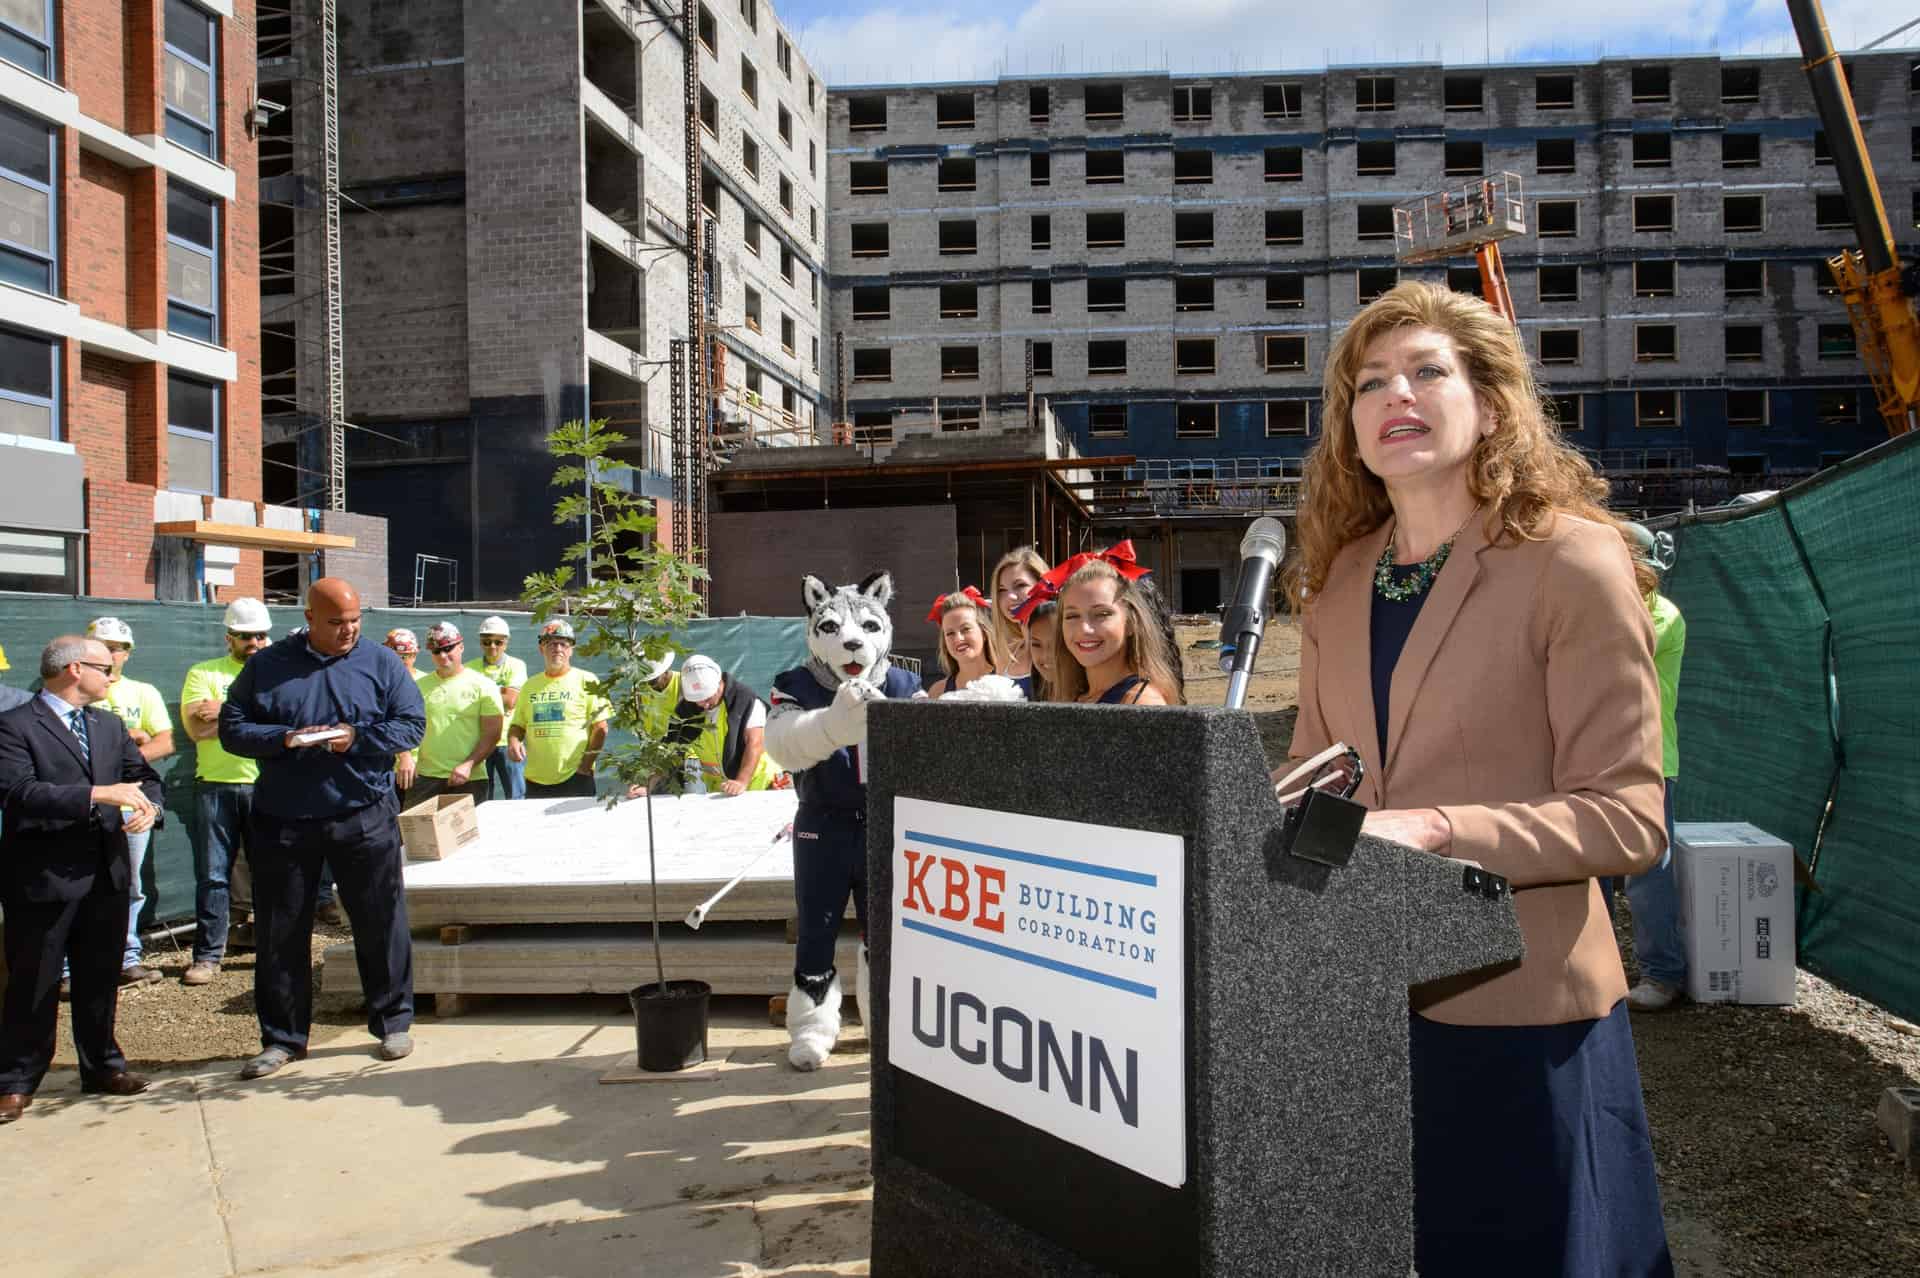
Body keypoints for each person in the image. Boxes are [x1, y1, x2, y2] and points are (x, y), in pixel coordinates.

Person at [1281, 280, 1670, 1275]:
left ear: (1491, 403)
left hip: (1523, 1018)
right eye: (1368, 384)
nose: (1392, 395)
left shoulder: (1573, 561)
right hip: (1364, 1014)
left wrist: (1437, 830)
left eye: (1425, 371)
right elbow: (1318, 774)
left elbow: (1628, 819)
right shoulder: (1335, 584)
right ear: (1351, 429)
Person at [219, 578, 426, 1079]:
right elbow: (232, 727)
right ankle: (284, 1039)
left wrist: (354, 738)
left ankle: (393, 1022)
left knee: (380, 920)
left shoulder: (380, 663)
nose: (348, 631)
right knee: (281, 929)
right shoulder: (267, 666)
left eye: (355, 621)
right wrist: (285, 738)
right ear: (309, 618)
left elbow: (410, 724)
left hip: (363, 813)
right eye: (336, 623)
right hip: (285, 819)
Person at [0, 636, 164, 1121]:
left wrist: (149, 809)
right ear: (75, 669)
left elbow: (145, 778)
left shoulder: (109, 726)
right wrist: (100, 794)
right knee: (35, 981)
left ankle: (102, 1066)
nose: (112, 677)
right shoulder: (14, 727)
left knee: (99, 978)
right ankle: (17, 1080)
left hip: (106, 877)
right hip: (43, 877)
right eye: (105, 668)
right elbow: (20, 792)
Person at [83, 617, 174, 987]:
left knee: (129, 882)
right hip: (87, 801)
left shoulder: (143, 692)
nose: (113, 653)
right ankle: (72, 966)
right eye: (105, 645)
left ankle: (126, 957)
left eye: (120, 647)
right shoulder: (76, 692)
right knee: (80, 881)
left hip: (131, 802)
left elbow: (165, 741)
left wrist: (125, 754)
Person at [1622, 523, 1688, 1012]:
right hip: (1598, 756)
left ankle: (1663, 975)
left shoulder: (1661, 615)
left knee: (1648, 874)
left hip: (1649, 759)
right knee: (1589, 872)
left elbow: (1622, 652)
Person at [1046, 548, 1181, 705]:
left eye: (1102, 614)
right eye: (1072, 616)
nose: (1084, 628)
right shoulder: (1074, 696)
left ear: (1132, 622)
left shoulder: (1142, 703)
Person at [403, 621, 504, 810]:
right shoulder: (417, 687)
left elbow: (492, 734)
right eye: (436, 651)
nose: (443, 656)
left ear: (461, 647)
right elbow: (404, 726)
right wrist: (405, 756)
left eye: (448, 648)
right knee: (418, 837)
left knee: (468, 839)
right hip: (425, 778)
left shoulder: (484, 686)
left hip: (469, 779)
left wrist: (468, 764)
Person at [507, 619, 609, 800]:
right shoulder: (530, 686)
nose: (558, 649)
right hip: (535, 780)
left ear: (571, 650)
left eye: (563, 643)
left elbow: (600, 728)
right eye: (551, 643)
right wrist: (513, 741)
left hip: (575, 778)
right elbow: (518, 726)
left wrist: (585, 767)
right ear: (541, 648)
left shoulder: (587, 680)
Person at [666, 655, 779, 794]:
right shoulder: (687, 711)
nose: (703, 704)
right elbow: (669, 750)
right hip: (721, 790)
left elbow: (755, 742)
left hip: (761, 784)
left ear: (719, 683)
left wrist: (741, 781)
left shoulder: (745, 701)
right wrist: (646, 785)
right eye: (698, 700)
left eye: (707, 697)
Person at [475, 616, 528, 801]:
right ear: (480, 642)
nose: (492, 647)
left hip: (507, 742)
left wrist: (481, 697)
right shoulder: (469, 668)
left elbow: (511, 700)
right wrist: (500, 691)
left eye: (498, 642)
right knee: (480, 798)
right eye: (487, 642)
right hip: (479, 741)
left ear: (507, 642)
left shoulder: (516, 665)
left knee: (516, 797)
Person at [925, 587, 1002, 698]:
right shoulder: (937, 693)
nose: (958, 639)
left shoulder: (1007, 681)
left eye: (965, 629)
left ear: (984, 633)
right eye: (950, 633)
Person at [988, 546, 1049, 681]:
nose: (1010, 597)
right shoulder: (1008, 653)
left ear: (1042, 585)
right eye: (1001, 590)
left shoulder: (1065, 646)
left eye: (1020, 585)